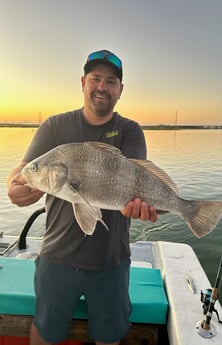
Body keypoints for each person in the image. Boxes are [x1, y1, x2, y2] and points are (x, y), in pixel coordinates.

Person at [7, 49, 157, 345]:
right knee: (46, 330)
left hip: (110, 260)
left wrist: (140, 205)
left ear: (120, 90)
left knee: (109, 336)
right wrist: (15, 185)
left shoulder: (129, 130)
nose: (102, 87)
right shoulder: (55, 126)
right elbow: (23, 170)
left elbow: (137, 177)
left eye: (111, 81)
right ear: (83, 82)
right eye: (95, 78)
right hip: (57, 257)